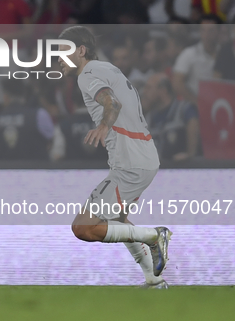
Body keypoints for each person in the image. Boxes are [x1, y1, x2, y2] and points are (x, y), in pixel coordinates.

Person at [57, 26, 171, 289]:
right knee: (117, 221)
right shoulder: (107, 68)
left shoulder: (87, 75)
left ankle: (154, 236)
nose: (59, 57)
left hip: (129, 161)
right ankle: (154, 281)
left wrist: (103, 127)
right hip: (143, 157)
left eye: (63, 51)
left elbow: (112, 103)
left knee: (83, 228)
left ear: (81, 51)